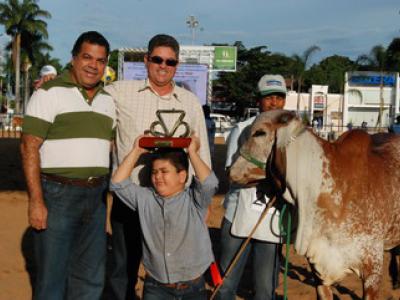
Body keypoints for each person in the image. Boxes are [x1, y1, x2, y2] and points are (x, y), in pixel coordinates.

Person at [104, 34, 211, 300]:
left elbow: (202, 152)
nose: (163, 65)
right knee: (122, 269)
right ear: (146, 60)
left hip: (178, 203)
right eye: (157, 59)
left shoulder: (189, 101)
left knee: (173, 270)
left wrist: (203, 205)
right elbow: (88, 91)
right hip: (132, 197)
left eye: (170, 61)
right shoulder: (119, 91)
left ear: (177, 64)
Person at [20, 31, 116, 299]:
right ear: (73, 59)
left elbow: (108, 147)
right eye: (87, 57)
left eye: (100, 60)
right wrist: (36, 201)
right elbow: (29, 146)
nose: (93, 65)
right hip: (57, 196)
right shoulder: (49, 94)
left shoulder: (108, 100)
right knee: (52, 279)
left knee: (90, 279)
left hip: (96, 198)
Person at [110, 134, 218, 300]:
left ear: (182, 176)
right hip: (156, 287)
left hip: (193, 287)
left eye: (164, 171)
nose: (157, 176)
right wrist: (136, 151)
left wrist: (193, 153)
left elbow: (209, 183)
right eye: (154, 172)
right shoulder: (145, 198)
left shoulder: (195, 200)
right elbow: (117, 184)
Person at [216, 74, 287, 300]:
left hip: (272, 218)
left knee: (265, 290)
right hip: (239, 213)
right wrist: (273, 178)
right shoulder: (243, 129)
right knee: (226, 284)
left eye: (278, 97)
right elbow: (232, 173)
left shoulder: (291, 135)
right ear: (259, 100)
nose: (274, 103)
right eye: (268, 97)